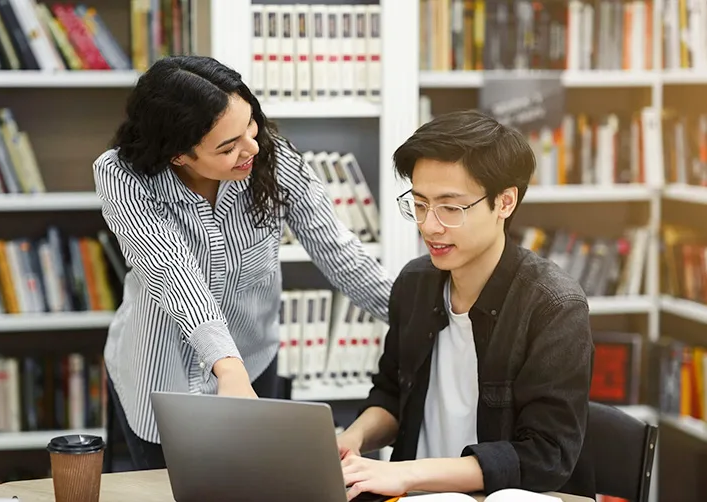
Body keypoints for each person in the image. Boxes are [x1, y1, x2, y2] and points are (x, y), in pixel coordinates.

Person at [92, 55, 393, 470]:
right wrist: (225, 369)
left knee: (254, 486)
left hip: (253, 363)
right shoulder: (122, 175)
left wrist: (419, 316)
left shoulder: (271, 157)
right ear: (179, 155)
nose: (250, 147)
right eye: (227, 146)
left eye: (249, 126)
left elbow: (337, 250)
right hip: (160, 374)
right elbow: (173, 272)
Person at [337, 110, 595, 500]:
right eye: (420, 204)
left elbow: (545, 456)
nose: (429, 225)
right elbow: (391, 394)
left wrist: (408, 474)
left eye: (450, 208)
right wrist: (352, 439)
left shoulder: (553, 306)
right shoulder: (415, 284)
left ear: (504, 202)